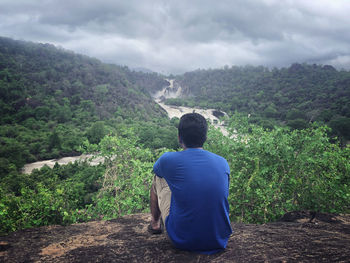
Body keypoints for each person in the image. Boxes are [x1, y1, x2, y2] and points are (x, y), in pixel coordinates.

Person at [149, 113, 232, 254]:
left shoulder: (168, 159)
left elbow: (157, 172)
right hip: (218, 240)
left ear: (179, 137)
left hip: (181, 240)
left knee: (158, 178)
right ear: (205, 137)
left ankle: (155, 224)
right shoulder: (222, 162)